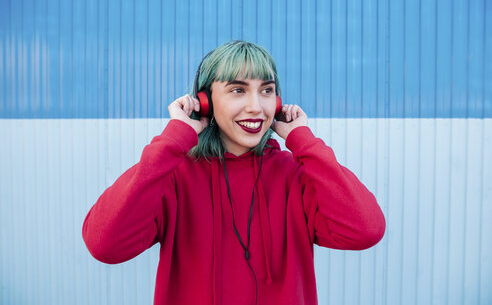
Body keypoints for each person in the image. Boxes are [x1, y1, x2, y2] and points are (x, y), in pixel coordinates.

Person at [82, 40, 386, 305]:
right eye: (238, 90)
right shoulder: (173, 176)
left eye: (266, 90)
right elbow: (105, 245)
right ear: (205, 102)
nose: (256, 106)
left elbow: (365, 230)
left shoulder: (298, 176)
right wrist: (174, 139)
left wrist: (303, 140)